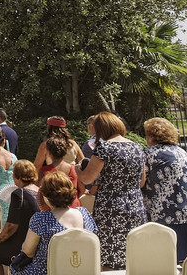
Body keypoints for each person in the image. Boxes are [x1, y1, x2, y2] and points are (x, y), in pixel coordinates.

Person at [77, 111, 145, 270]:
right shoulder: (137, 146)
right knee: (132, 256)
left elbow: (87, 178)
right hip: (136, 206)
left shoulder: (105, 147)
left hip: (111, 209)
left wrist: (78, 169)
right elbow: (141, 182)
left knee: (109, 259)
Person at [142, 117, 187, 263]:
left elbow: (140, 183)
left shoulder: (148, 155)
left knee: (172, 264)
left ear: (151, 136)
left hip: (168, 218)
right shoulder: (182, 152)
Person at [9, 171, 97, 275]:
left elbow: (28, 251)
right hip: (81, 271)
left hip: (48, 271)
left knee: (13, 268)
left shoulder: (41, 219)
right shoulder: (84, 213)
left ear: (46, 195)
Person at [0, 160, 40, 275]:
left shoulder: (19, 194)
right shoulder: (40, 191)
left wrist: (0, 238)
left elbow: (11, 225)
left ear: (17, 176)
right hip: (38, 244)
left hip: (21, 246)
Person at [36, 137, 81, 208]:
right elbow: (81, 190)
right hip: (74, 206)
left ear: (49, 152)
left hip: (52, 209)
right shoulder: (75, 169)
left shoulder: (43, 171)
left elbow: (39, 193)